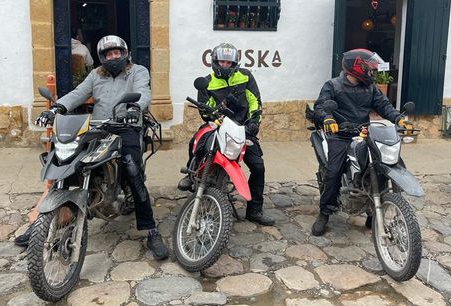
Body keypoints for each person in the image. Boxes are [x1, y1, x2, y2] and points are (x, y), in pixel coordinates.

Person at [20, 35, 169, 260]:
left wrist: (134, 108)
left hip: (126, 127)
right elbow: (78, 94)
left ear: (125, 52)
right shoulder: (96, 75)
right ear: (102, 57)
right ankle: (42, 225)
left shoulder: (138, 71)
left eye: (117, 52)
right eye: (108, 54)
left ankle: (150, 230)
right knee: (70, 161)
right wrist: (56, 108)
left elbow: (143, 92)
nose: (113, 57)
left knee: (132, 170)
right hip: (98, 127)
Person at [311, 48, 413, 236]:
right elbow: (320, 106)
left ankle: (373, 212)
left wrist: (398, 119)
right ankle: (324, 213)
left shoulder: (370, 87)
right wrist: (327, 118)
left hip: (365, 132)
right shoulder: (332, 85)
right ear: (356, 67)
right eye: (369, 69)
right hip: (340, 134)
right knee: (334, 172)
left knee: (379, 164)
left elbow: (383, 105)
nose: (371, 73)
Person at [177, 42, 275, 226]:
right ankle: (191, 172)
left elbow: (255, 101)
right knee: (195, 141)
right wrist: (222, 107)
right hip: (218, 125)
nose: (225, 65)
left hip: (243, 128)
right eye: (222, 61)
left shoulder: (246, 76)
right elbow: (205, 112)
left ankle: (254, 210)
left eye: (229, 62)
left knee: (258, 167)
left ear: (234, 63)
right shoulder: (207, 81)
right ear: (215, 61)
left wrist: (254, 122)